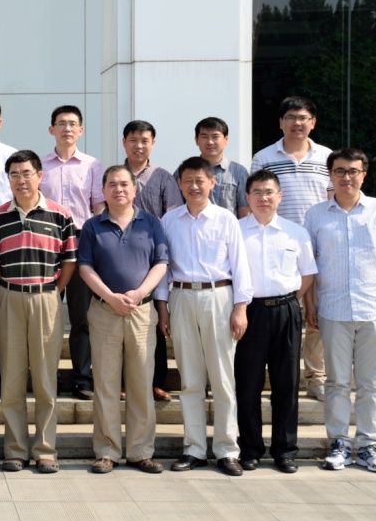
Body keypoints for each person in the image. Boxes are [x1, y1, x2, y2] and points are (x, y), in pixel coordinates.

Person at [304, 148, 376, 474]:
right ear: (330, 175)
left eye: (353, 171)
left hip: (373, 309)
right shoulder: (316, 214)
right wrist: (310, 303)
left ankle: (368, 445)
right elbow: (309, 264)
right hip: (332, 310)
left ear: (364, 175)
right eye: (340, 171)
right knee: (335, 382)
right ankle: (339, 443)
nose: (346, 177)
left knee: (370, 383)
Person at [155, 156, 253, 477]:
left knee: (223, 379)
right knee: (191, 380)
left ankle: (227, 450)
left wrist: (240, 307)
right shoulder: (169, 220)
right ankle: (194, 448)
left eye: (200, 180)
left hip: (219, 298)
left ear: (212, 183)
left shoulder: (226, 219)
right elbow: (163, 268)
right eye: (188, 181)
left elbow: (240, 266)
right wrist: (163, 307)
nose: (194, 186)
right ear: (179, 184)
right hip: (181, 297)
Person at [78, 165, 169, 475]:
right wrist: (111, 297)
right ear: (103, 191)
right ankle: (106, 452)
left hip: (141, 312)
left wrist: (139, 293)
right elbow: (85, 268)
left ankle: (141, 451)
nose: (118, 189)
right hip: (105, 312)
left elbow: (161, 263)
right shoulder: (92, 226)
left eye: (124, 184)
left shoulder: (151, 223)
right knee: (105, 384)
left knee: (141, 383)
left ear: (134, 189)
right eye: (112, 185)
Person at [0, 149, 77, 474]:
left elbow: (69, 261)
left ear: (40, 176)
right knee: (11, 380)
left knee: (44, 379)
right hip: (10, 298)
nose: (21, 180)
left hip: (46, 299)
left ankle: (45, 450)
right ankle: (15, 450)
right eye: (14, 174)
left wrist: (52, 291)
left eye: (27, 173)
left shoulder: (60, 215)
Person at [251, 96, 332, 401]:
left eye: (303, 118)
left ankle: (316, 376)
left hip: (319, 246)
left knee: (316, 315)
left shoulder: (326, 157)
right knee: (280, 312)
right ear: (280, 122)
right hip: (277, 246)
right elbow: (256, 199)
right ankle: (275, 376)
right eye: (290, 117)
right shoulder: (264, 157)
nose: (297, 123)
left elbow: (331, 200)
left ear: (313, 122)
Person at [236, 169, 317, 474]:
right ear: (247, 197)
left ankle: (285, 450)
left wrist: (289, 301)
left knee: (287, 383)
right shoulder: (236, 231)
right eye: (257, 192)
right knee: (248, 384)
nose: (263, 198)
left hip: (286, 311)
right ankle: (250, 448)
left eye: (269, 192)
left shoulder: (295, 233)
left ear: (279, 196)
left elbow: (307, 274)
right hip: (249, 312)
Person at [39, 105, 104, 400]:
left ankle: (82, 378)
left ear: (81, 130)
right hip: (47, 244)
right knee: (47, 315)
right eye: (61, 123)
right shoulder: (40, 165)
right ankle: (47, 378)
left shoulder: (92, 165)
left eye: (72, 123)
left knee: (82, 317)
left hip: (80, 243)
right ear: (51, 129)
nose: (67, 128)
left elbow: (98, 207)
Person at [121, 119, 181, 403]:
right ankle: (123, 382)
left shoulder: (164, 177)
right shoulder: (116, 174)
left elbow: (172, 218)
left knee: (155, 321)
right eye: (133, 140)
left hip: (153, 257)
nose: (139, 145)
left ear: (153, 144)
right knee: (120, 321)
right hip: (119, 254)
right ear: (124, 142)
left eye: (144, 140)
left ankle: (156, 382)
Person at [192, 117, 250, 218]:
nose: (210, 142)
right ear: (196, 140)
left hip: (227, 227)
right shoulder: (185, 171)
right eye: (204, 137)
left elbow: (244, 210)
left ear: (226, 139)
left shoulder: (239, 172)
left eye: (215, 137)